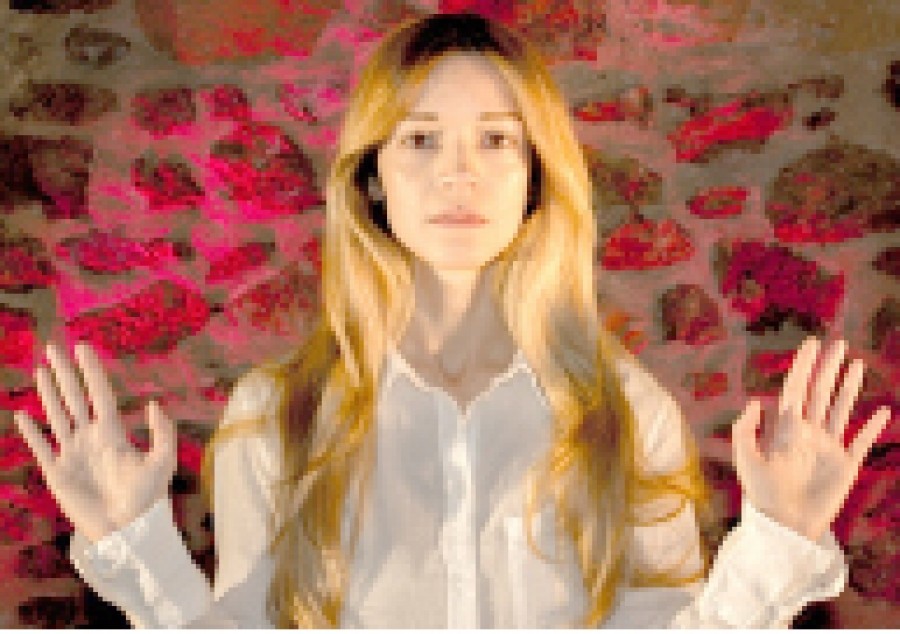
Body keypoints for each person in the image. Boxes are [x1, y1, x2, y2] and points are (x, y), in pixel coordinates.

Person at [13, 12, 892, 629]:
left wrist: (777, 542)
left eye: (497, 139)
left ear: (538, 175)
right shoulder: (277, 416)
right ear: (373, 178)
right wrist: (136, 548)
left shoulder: (627, 415)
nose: (458, 174)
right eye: (421, 138)